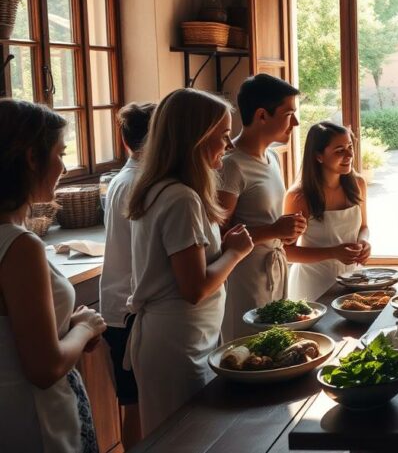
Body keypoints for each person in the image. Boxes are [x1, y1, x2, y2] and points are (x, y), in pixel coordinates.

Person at [126, 89, 254, 434]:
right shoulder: (180, 198)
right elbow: (194, 288)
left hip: (185, 336)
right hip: (177, 343)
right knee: (186, 438)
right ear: (197, 138)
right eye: (224, 135)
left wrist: (221, 250)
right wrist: (236, 252)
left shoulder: (165, 190)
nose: (228, 146)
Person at [0, 99, 106, 452]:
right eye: (60, 153)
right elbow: (45, 368)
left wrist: (69, 331)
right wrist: (85, 327)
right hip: (37, 421)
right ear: (32, 157)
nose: (63, 165)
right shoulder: (20, 246)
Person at [218, 74, 306, 340]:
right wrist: (273, 230)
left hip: (275, 268)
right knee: (249, 348)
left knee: (277, 344)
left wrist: (287, 231)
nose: (296, 123)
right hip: (245, 278)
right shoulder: (231, 165)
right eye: (289, 113)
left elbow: (268, 223)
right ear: (261, 115)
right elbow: (219, 237)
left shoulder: (272, 158)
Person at [99, 102, 154, 448]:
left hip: (121, 305)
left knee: (135, 404)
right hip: (129, 309)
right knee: (137, 406)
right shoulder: (140, 184)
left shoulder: (127, 178)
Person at [286, 123, 371, 301]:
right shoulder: (299, 196)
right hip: (313, 284)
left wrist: (364, 242)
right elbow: (286, 251)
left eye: (350, 147)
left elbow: (364, 226)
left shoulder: (358, 184)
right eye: (339, 150)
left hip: (352, 279)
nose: (349, 155)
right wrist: (332, 253)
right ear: (318, 156)